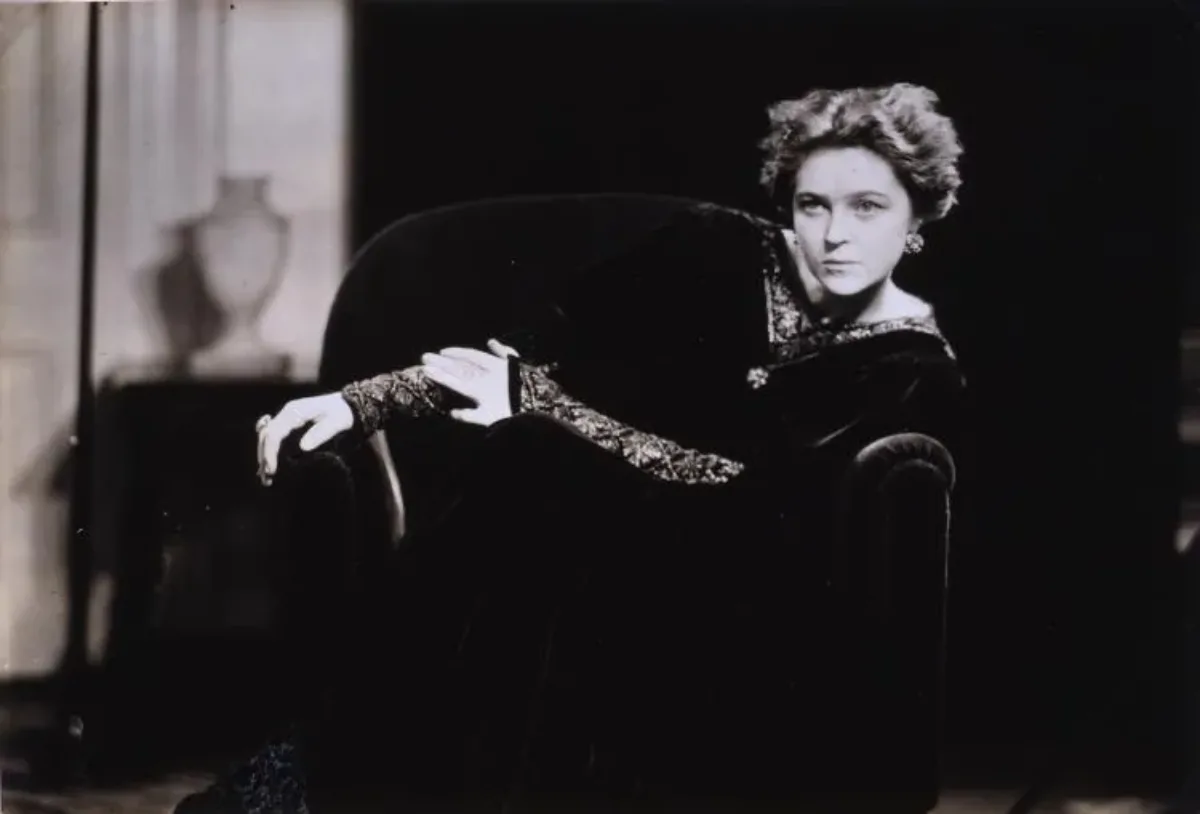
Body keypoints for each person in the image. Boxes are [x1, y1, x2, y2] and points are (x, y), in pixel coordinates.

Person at [176, 81, 967, 813]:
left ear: (917, 218)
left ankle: (327, 783)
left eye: (867, 208)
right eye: (812, 205)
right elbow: (526, 354)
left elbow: (743, 489)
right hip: (594, 543)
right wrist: (356, 404)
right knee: (532, 479)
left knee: (536, 463)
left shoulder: (913, 368)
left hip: (742, 598)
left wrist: (541, 410)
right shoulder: (718, 249)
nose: (833, 235)